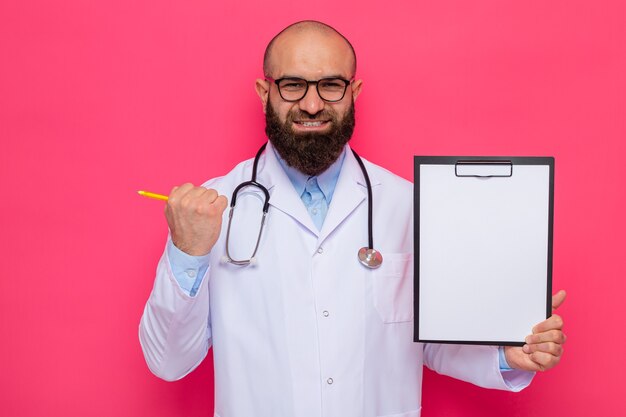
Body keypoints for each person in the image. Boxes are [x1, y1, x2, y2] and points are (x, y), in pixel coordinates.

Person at [139, 21, 566, 417]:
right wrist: (187, 252)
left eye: (330, 85)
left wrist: (506, 356)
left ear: (354, 92)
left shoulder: (409, 205)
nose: (311, 103)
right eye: (292, 85)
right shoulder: (210, 210)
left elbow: (428, 342)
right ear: (263, 91)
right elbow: (168, 361)